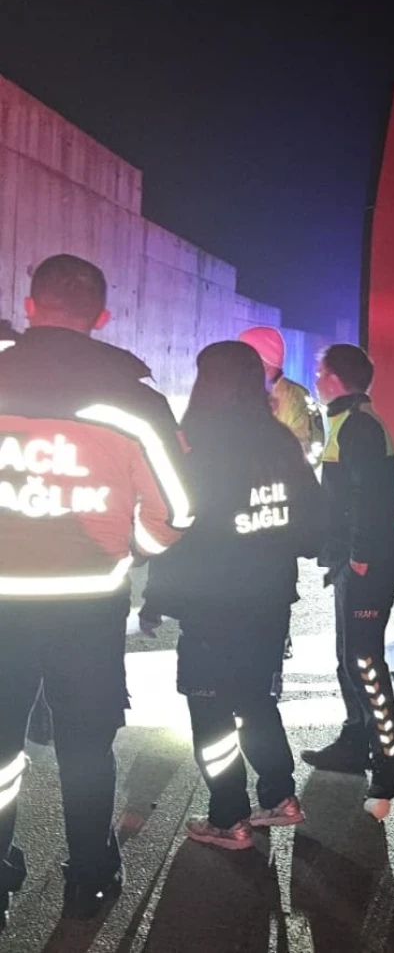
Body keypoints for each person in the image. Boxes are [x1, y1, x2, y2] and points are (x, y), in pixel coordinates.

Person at [0, 255, 189, 929]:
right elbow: (177, 512)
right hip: (86, 605)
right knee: (85, 744)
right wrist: (134, 548)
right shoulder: (133, 400)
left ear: (29, 305)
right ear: (101, 317)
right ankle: (90, 878)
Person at [142, 341, 324, 849]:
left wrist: (156, 599)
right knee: (256, 698)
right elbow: (313, 531)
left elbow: (175, 531)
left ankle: (228, 817)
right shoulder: (282, 444)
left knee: (210, 709)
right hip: (269, 601)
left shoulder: (194, 450)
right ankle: (280, 796)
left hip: (212, 605)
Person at [301, 344, 394, 817]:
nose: (316, 377)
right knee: (347, 656)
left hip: (370, 561)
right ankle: (354, 740)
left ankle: (390, 756)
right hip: (352, 561)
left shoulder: (361, 425)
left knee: (364, 660)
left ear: (335, 380)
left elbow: (371, 498)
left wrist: (361, 555)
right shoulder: (346, 421)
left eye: (321, 371)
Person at [238, 326, 325, 466]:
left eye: (244, 358)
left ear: (266, 364)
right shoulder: (245, 392)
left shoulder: (295, 398)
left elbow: (302, 455)